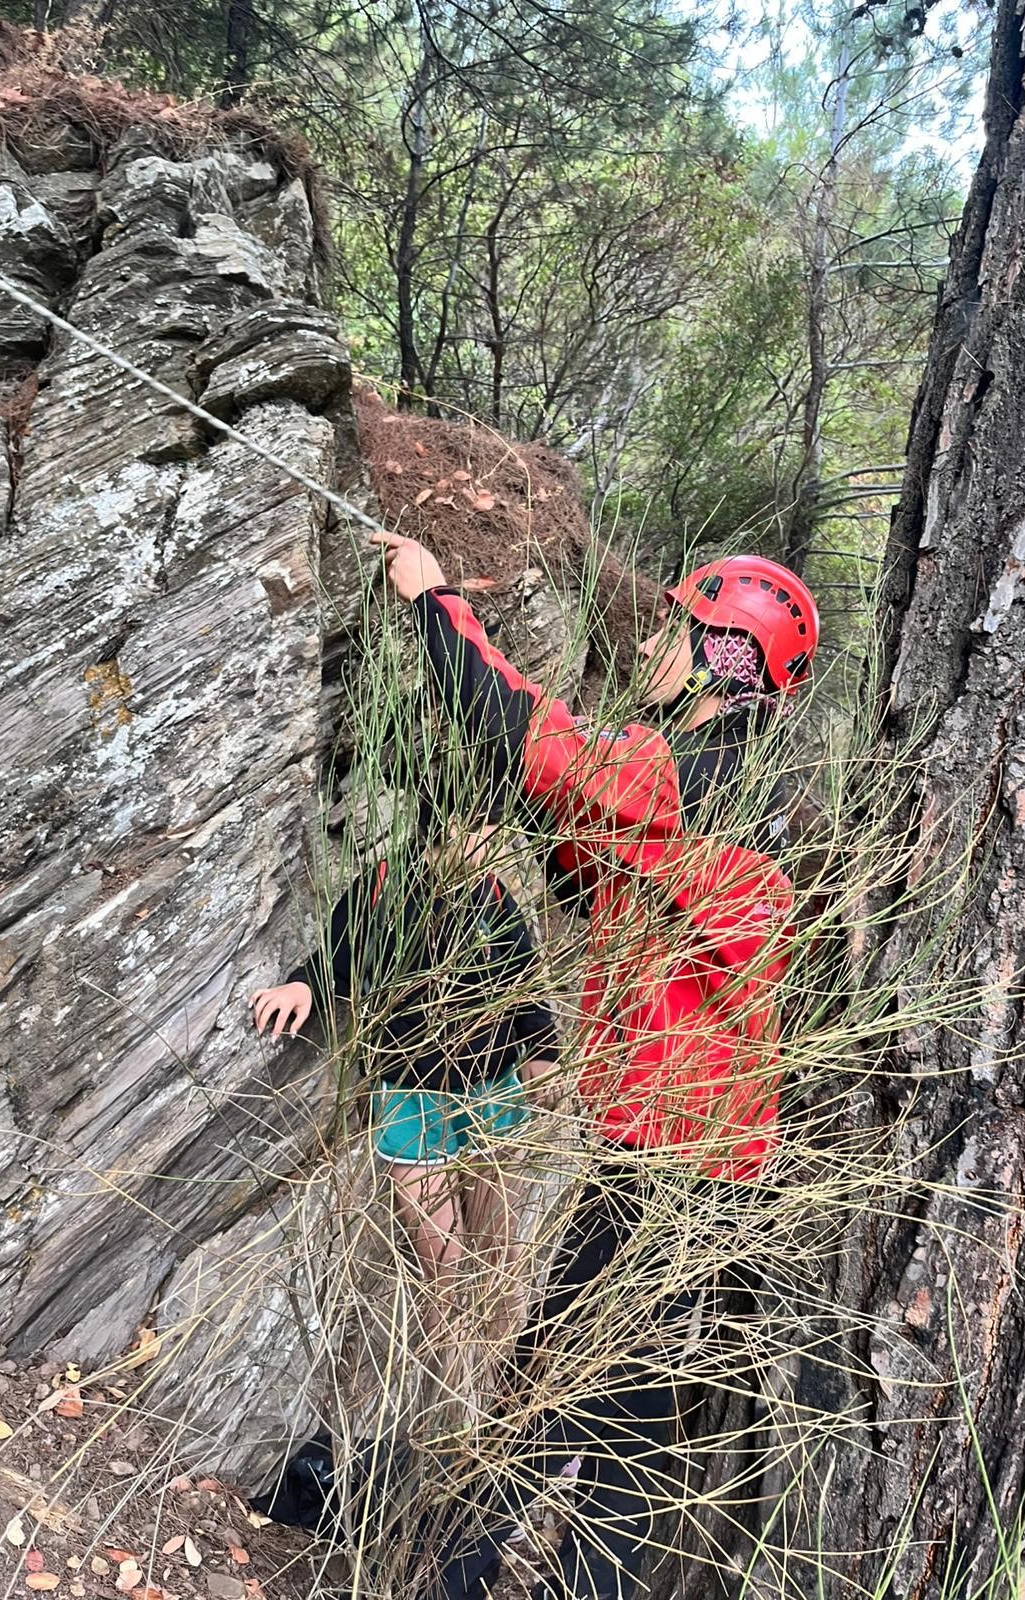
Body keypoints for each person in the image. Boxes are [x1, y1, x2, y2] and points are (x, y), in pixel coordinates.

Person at [371, 533, 819, 1600]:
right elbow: (585, 873)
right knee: (606, 1414)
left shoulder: (699, 778)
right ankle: (466, 1574)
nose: (653, 646)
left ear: (726, 658)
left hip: (670, 1168)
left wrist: (436, 604)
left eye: (678, 632)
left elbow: (534, 740)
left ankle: (450, 1578)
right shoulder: (737, 792)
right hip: (697, 1165)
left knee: (574, 1406)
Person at [250, 789, 559, 1345]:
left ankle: (501, 1379)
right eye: (484, 829)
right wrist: (302, 986)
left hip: (494, 1091)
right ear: (449, 826)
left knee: (502, 1257)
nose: (496, 842)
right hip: (410, 1098)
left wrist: (543, 1056)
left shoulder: (492, 893)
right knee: (444, 1270)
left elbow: (525, 984)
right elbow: (337, 956)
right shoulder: (384, 887)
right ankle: (455, 1383)